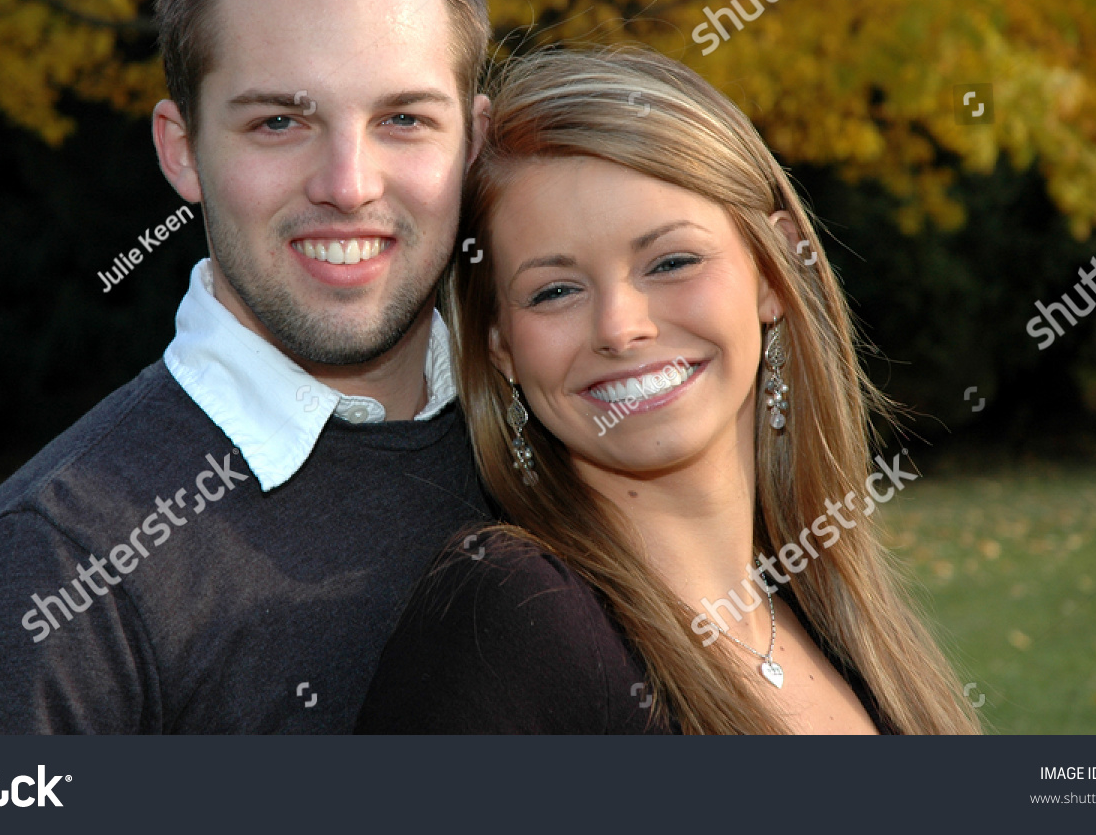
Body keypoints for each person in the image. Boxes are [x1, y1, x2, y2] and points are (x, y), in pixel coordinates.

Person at [0, 0, 496, 732]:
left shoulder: (561, 457)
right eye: (279, 122)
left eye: (403, 120)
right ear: (180, 150)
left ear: (473, 143)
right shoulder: (43, 577)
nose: (348, 186)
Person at [355, 46, 982, 734]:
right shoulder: (509, 620)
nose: (621, 329)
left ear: (774, 275)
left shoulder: (834, 620)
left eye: (672, 261)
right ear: (500, 344)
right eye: (555, 290)